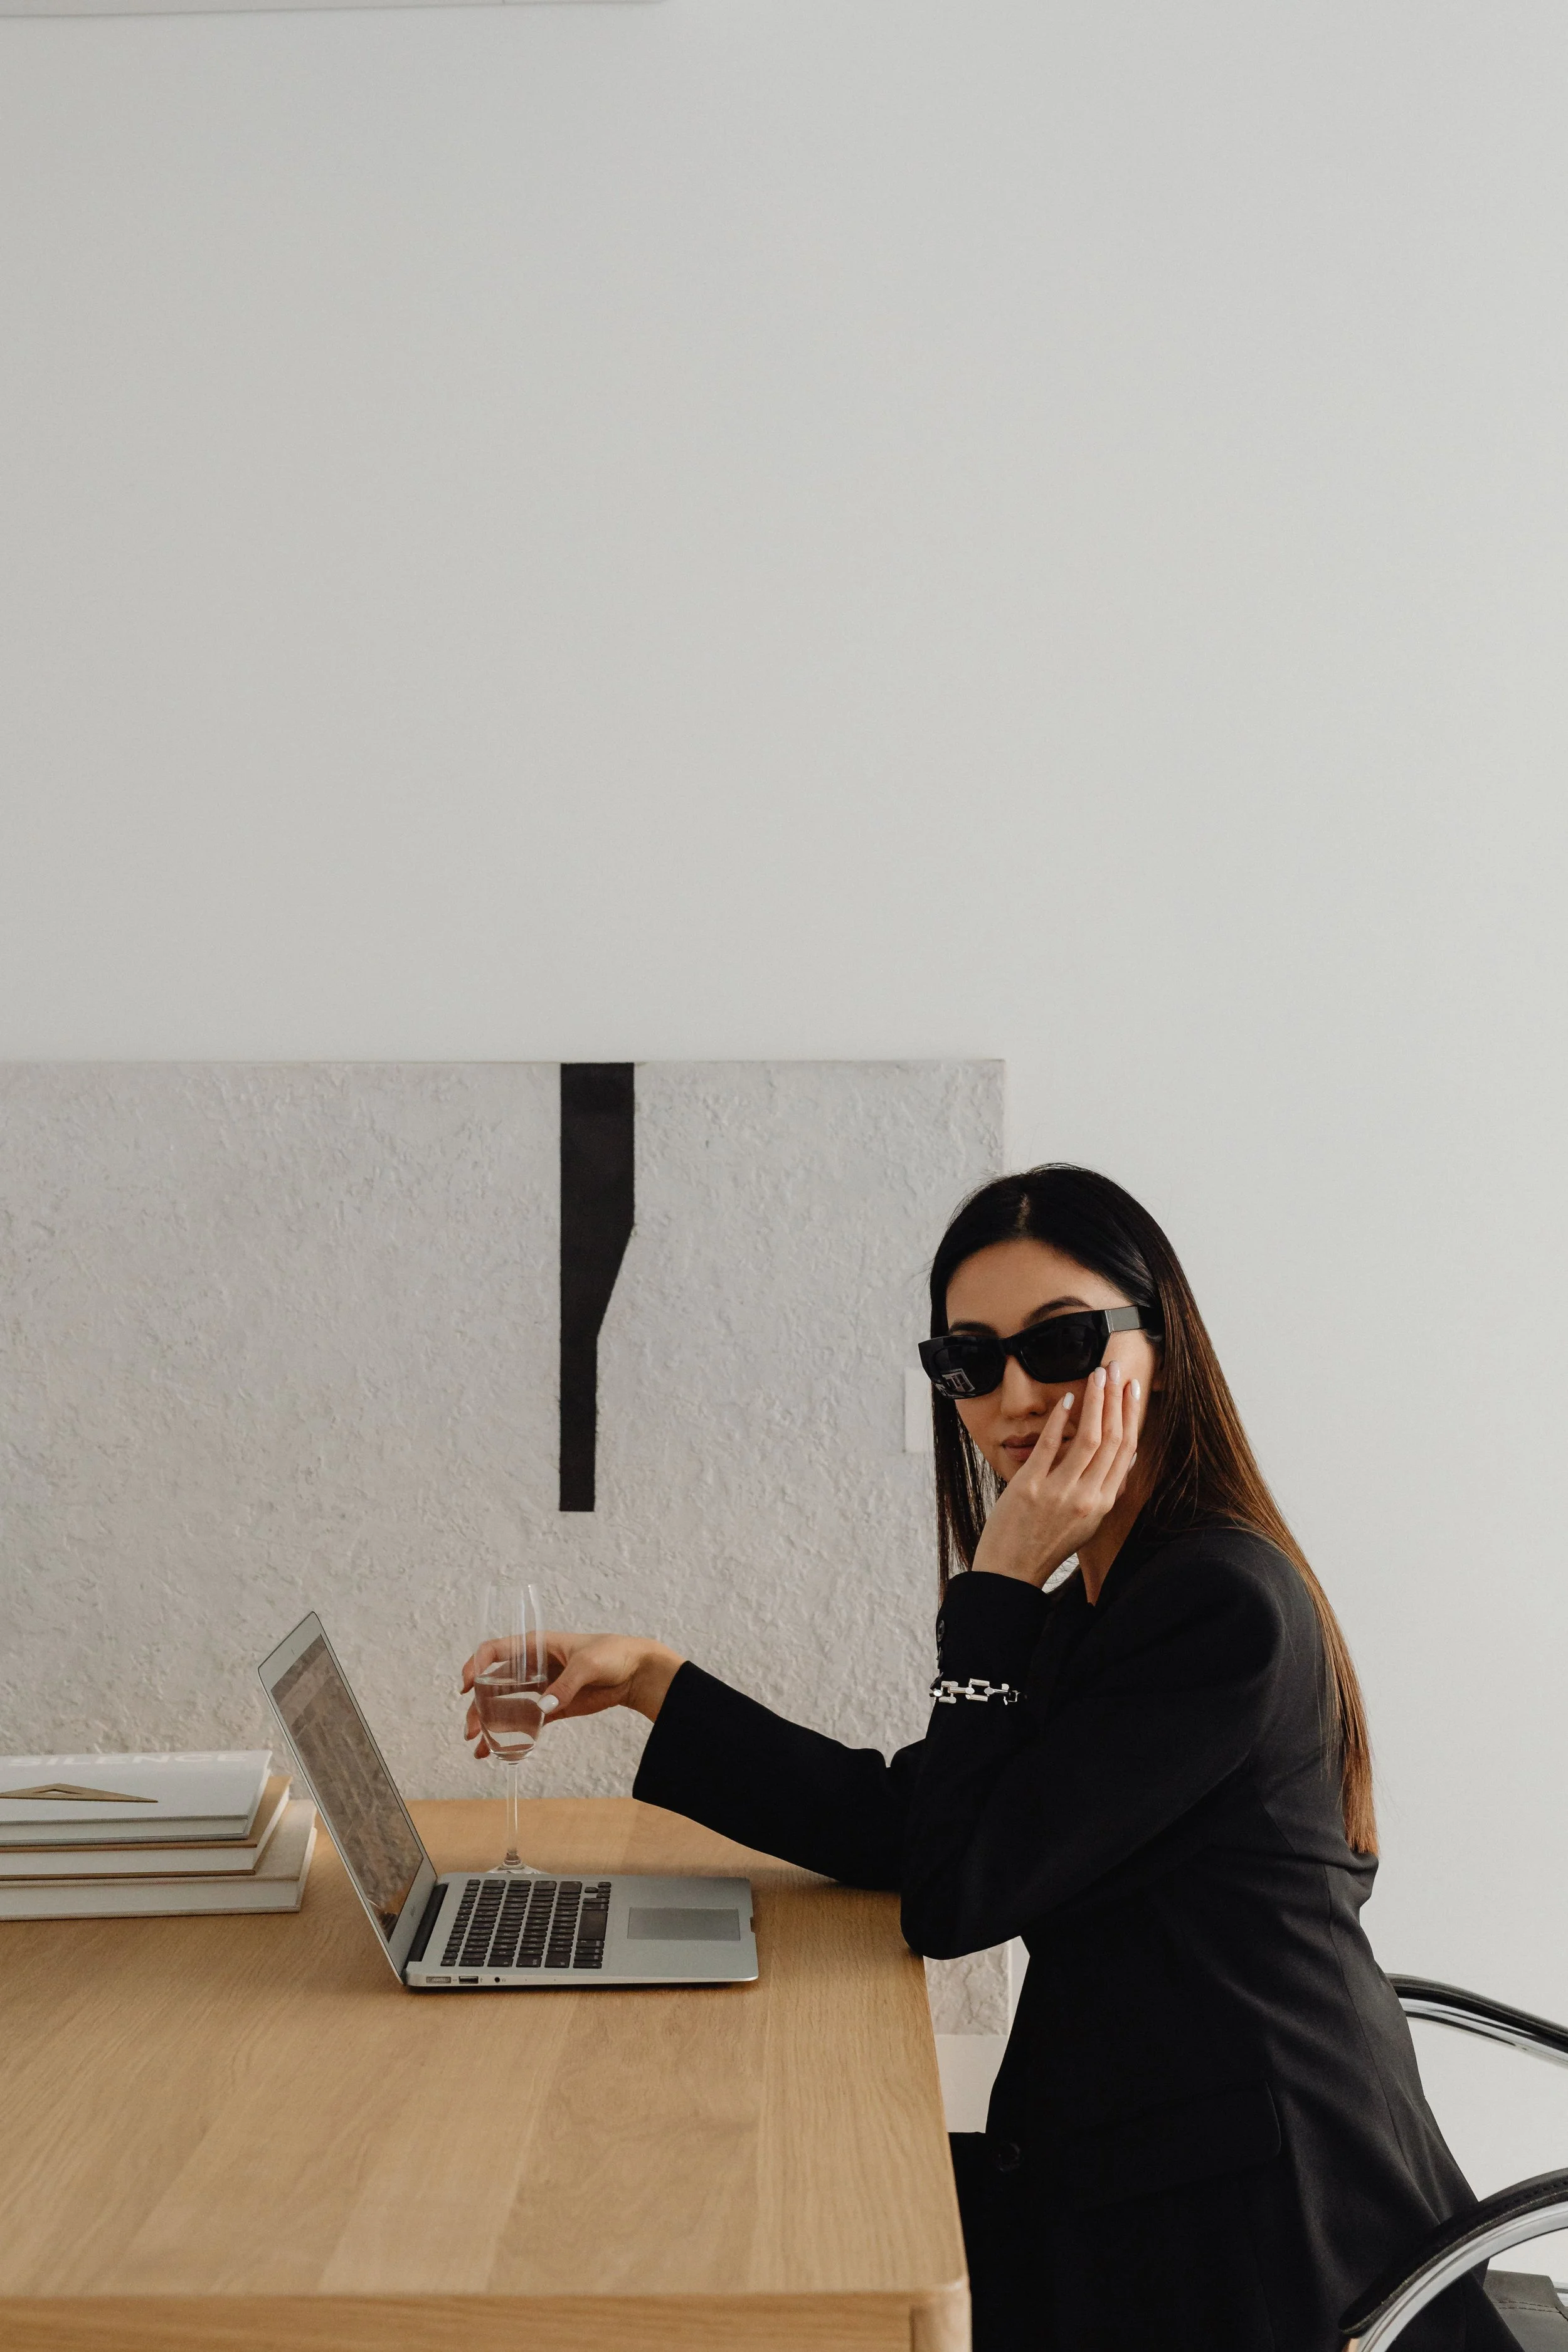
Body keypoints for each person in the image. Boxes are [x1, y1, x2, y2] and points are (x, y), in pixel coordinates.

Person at [463, 1164, 1507, 2352]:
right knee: (715, 2217)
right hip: (1138, 2152)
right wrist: (657, 1681)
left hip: (1252, 2233)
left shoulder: (1217, 1606)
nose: (1013, 1394)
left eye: (1060, 1342)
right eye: (968, 1361)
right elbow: (915, 1821)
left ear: (1159, 1345)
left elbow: (959, 1892)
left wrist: (1000, 1581)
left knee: (748, 2260)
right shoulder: (1119, 1597)